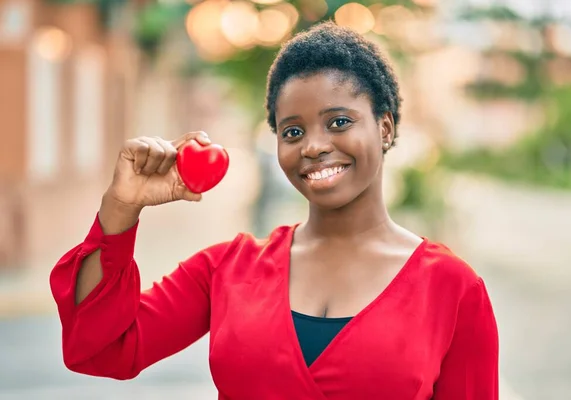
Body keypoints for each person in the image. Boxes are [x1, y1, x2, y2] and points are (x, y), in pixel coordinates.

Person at [50, 21, 499, 399]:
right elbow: (103, 348)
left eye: (339, 122)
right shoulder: (226, 269)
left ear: (384, 127)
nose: (314, 146)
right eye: (292, 131)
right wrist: (120, 209)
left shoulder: (453, 289)